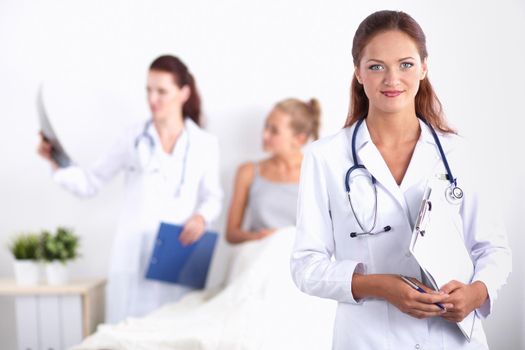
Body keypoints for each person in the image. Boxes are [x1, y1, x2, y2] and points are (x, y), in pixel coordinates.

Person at [290, 10, 511, 349]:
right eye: (376, 66)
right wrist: (380, 285)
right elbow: (306, 266)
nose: (392, 79)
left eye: (406, 64)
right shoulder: (326, 158)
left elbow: (492, 249)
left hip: (450, 337)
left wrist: (476, 292)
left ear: (424, 67)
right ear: (359, 73)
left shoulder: (458, 154)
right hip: (368, 337)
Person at [37, 55, 223, 323]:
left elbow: (213, 197)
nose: (152, 99)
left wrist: (201, 217)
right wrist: (56, 163)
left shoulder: (205, 144)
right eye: (148, 90)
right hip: (133, 255)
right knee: (128, 334)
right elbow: (91, 183)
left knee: (174, 333)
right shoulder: (133, 138)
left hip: (176, 257)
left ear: (184, 93)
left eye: (162, 91)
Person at [226, 98, 321, 244]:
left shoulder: (317, 175)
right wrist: (260, 238)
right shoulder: (248, 172)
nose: (264, 135)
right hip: (257, 257)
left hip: (296, 260)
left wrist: (283, 238)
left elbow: (325, 235)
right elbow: (231, 234)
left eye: (274, 131)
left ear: (299, 140)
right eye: (266, 126)